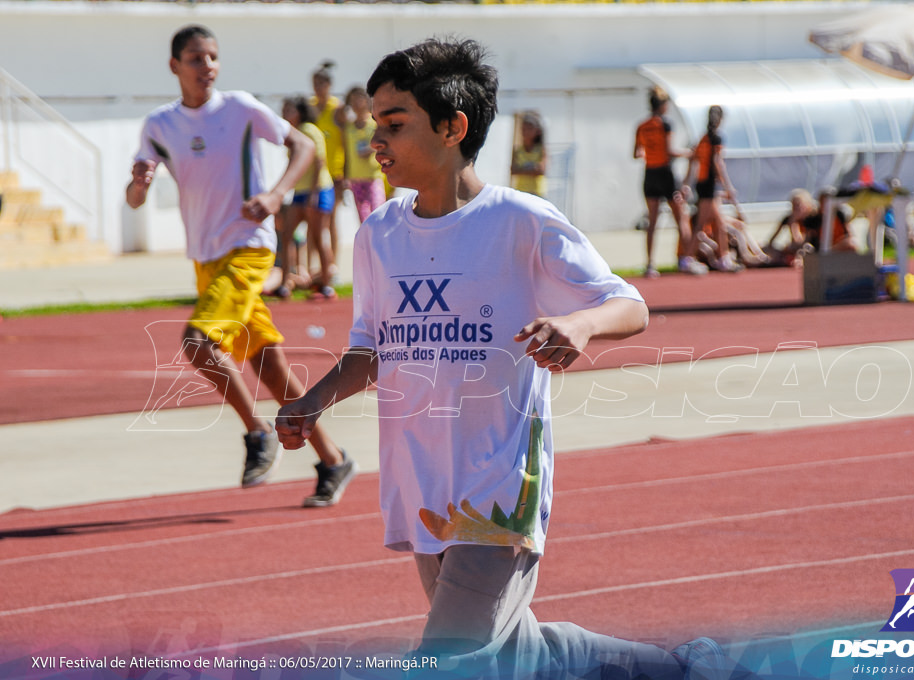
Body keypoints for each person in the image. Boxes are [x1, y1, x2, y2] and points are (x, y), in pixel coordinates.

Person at [276, 38, 726, 680]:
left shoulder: (521, 222)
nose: (377, 140)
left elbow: (628, 304)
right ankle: (683, 669)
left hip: (500, 484)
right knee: (524, 655)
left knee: (448, 659)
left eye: (395, 124)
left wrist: (580, 323)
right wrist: (312, 401)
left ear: (453, 127)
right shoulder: (378, 236)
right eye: (376, 123)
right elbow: (370, 350)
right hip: (422, 481)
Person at [126, 24, 356, 508]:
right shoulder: (159, 125)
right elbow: (134, 196)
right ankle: (333, 459)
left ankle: (257, 432)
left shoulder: (241, 108)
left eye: (212, 56)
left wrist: (275, 195)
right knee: (268, 366)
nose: (206, 65)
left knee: (197, 341)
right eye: (194, 58)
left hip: (249, 248)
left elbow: (305, 146)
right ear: (175, 67)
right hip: (205, 259)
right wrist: (140, 184)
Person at [633, 86, 705, 278]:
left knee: (653, 221)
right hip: (665, 174)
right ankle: (686, 260)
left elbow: (636, 153)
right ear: (663, 105)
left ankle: (650, 264)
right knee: (681, 217)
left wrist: (648, 152)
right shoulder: (664, 124)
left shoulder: (642, 125)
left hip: (650, 174)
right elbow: (668, 152)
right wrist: (689, 153)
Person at [278, 96, 337, 300]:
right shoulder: (291, 134)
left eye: (289, 110)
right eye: (284, 110)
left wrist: (313, 193)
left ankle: (327, 284)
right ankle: (285, 283)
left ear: (299, 112)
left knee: (319, 236)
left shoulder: (310, 130)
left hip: (318, 190)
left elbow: (319, 162)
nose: (285, 114)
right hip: (300, 192)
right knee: (287, 234)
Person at [682, 105, 743, 273]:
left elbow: (694, 162)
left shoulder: (703, 138)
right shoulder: (715, 138)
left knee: (720, 222)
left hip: (704, 184)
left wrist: (687, 183)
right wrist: (728, 186)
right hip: (708, 185)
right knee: (701, 223)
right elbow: (718, 163)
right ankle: (687, 258)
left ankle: (724, 258)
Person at [310, 60, 347, 283]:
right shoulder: (311, 107)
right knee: (315, 220)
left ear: (330, 85)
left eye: (323, 83)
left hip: (335, 173)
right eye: (316, 83)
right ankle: (316, 266)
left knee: (332, 219)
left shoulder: (338, 108)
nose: (319, 87)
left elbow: (345, 142)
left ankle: (333, 267)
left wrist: (345, 173)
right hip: (315, 173)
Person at [342, 86, 387, 224]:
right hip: (355, 178)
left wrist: (371, 149)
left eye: (359, 99)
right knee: (363, 218)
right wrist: (345, 175)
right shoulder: (348, 128)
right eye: (353, 100)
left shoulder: (375, 125)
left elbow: (385, 145)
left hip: (373, 176)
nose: (356, 103)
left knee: (378, 214)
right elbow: (346, 153)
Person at [510, 110, 547, 198]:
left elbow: (541, 170)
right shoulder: (517, 150)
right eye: (524, 129)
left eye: (529, 128)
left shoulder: (541, 150)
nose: (525, 132)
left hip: (538, 193)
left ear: (537, 131)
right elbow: (513, 170)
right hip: (521, 192)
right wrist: (532, 169)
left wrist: (522, 169)